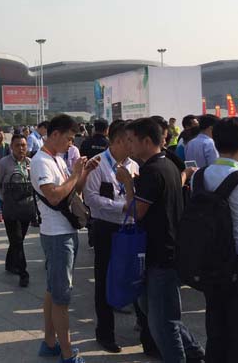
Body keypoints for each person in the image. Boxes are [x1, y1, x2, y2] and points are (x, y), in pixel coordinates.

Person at [116, 118, 204, 362]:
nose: (129, 145)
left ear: (146, 141)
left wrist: (127, 183)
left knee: (163, 324)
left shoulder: (153, 171)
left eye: (131, 140)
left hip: (162, 255)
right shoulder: (168, 165)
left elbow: (136, 211)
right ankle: (194, 350)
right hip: (162, 250)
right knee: (154, 311)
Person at [31, 114, 98, 362]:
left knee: (53, 290)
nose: (71, 144)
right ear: (55, 134)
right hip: (57, 235)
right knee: (61, 297)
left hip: (64, 231)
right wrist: (75, 174)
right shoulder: (41, 162)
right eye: (69, 139)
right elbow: (54, 196)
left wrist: (83, 173)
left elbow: (71, 192)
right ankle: (68, 354)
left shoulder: (56, 158)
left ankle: (50, 343)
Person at [83, 120, 139, 353]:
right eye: (129, 141)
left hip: (130, 227)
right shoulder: (97, 164)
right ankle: (105, 333)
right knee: (104, 280)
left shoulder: (134, 165)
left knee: (134, 276)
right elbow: (90, 198)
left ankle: (143, 328)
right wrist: (121, 207)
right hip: (106, 228)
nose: (133, 145)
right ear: (117, 141)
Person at [0, 133, 32, 287]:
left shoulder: (30, 163)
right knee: (17, 239)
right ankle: (23, 272)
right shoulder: (3, 164)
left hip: (26, 206)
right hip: (10, 206)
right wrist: (0, 202)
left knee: (17, 239)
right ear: (12, 147)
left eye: (23, 145)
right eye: (17, 145)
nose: (21, 148)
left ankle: (10, 263)